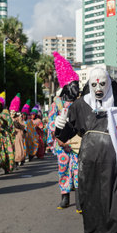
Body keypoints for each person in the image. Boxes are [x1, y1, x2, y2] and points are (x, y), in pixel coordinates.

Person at [54, 67, 117, 233]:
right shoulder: (79, 105)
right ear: (89, 85)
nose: (98, 88)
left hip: (114, 163)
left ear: (108, 83)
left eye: (102, 84)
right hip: (88, 162)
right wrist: (59, 125)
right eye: (94, 84)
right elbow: (64, 135)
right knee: (90, 201)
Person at [47, 51, 80, 211]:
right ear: (66, 87)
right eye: (73, 85)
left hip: (77, 144)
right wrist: (59, 139)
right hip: (62, 144)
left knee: (79, 171)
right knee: (63, 169)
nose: (76, 88)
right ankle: (65, 197)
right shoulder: (57, 103)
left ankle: (80, 200)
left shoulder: (81, 103)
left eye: (77, 84)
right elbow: (51, 123)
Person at [0, 92, 15, 176]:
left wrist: (2, 119)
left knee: (7, 154)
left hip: (5, 136)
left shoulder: (5, 113)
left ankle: (7, 168)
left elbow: (10, 125)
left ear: (1, 105)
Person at [9, 93, 26, 167]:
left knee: (19, 147)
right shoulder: (9, 116)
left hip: (18, 133)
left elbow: (23, 126)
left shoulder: (19, 117)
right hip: (11, 134)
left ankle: (19, 159)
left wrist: (17, 124)